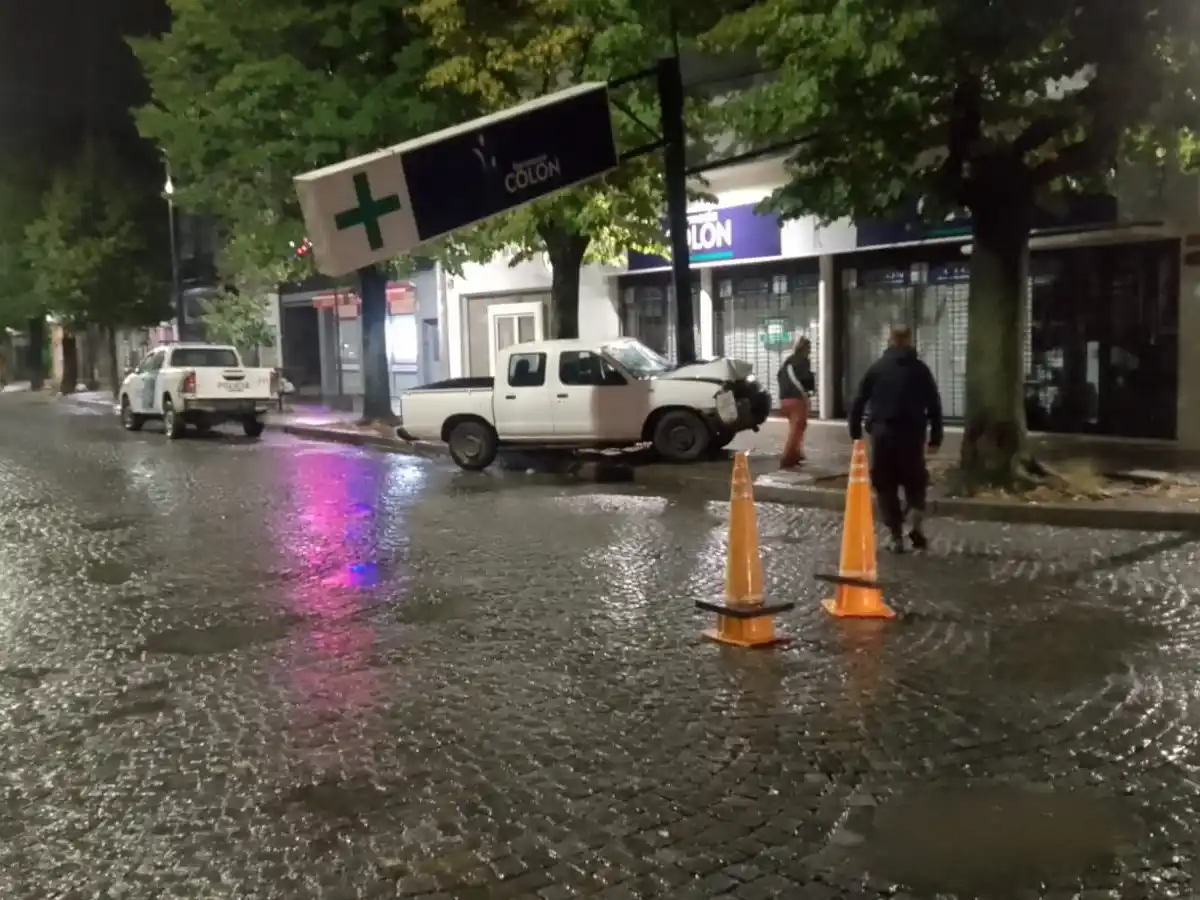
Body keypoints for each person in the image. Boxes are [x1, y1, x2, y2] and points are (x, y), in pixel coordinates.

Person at [848, 326, 943, 553]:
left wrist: (855, 433)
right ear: (909, 341)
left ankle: (895, 536)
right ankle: (915, 515)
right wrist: (935, 438)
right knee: (915, 481)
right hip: (912, 435)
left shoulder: (877, 368)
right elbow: (934, 405)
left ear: (890, 340)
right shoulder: (921, 370)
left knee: (885, 485)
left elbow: (859, 401)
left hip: (883, 435)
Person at [777, 336, 815, 468]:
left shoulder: (788, 361)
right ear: (805, 348)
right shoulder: (803, 361)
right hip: (796, 400)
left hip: (784, 400)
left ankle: (797, 453)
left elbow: (779, 376)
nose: (810, 351)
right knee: (797, 429)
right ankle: (787, 457)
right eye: (809, 348)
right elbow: (805, 378)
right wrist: (809, 389)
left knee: (797, 427)